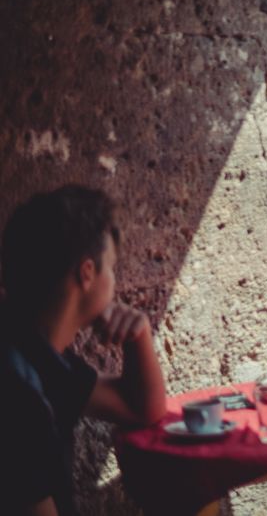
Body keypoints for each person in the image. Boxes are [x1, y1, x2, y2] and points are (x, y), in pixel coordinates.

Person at [1, 187, 167, 516]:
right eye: (112, 267)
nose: (114, 280)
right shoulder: (17, 390)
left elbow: (142, 409)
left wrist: (139, 336)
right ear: (87, 272)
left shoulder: (38, 353)